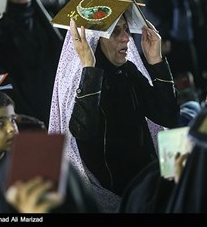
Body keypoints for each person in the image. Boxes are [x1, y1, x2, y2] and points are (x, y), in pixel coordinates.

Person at [48, 14, 179, 212]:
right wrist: (89, 69)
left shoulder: (127, 70)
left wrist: (156, 61)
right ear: (93, 38)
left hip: (145, 183)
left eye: (126, 29)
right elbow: (83, 132)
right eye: (115, 31)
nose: (126, 37)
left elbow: (168, 117)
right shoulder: (79, 81)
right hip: (112, 193)